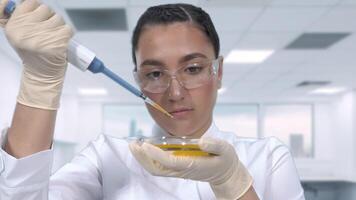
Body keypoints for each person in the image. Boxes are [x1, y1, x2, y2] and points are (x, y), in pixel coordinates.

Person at [0, 0, 305, 199]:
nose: (175, 93)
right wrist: (41, 81)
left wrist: (233, 182)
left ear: (219, 71)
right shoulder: (108, 157)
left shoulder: (266, 158)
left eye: (194, 69)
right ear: (138, 81)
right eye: (155, 74)